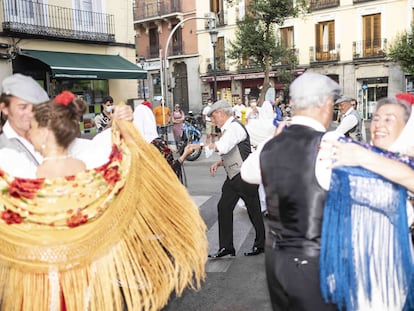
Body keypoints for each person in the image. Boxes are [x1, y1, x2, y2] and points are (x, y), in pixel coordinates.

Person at [0, 94, 207, 310]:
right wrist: (120, 126)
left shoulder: (29, 173)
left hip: (50, 269)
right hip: (80, 266)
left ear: (45, 133)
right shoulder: (91, 167)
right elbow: (118, 159)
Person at [241, 72, 341, 311]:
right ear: (326, 104)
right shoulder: (331, 144)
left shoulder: (269, 145)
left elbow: (248, 173)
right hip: (315, 264)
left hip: (275, 260)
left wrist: (273, 141)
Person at [319, 95, 414, 311]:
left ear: (406, 127)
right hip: (354, 272)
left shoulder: (402, 163)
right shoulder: (356, 159)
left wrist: (363, 157)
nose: (379, 124)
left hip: (389, 278)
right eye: (377, 118)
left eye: (389, 119)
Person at [0, 73, 134, 173]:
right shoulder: (3, 149)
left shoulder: (58, 136)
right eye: (22, 107)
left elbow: (96, 148)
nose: (30, 113)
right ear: (4, 108)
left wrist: (121, 123)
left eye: (35, 107)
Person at [204, 99, 265, 258]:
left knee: (254, 210)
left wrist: (198, 146)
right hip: (234, 176)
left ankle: (261, 244)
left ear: (221, 114)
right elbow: (232, 150)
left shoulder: (234, 128)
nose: (212, 120)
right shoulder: (230, 128)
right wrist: (219, 162)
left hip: (244, 175)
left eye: (213, 116)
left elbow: (223, 146)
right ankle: (226, 247)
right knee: (224, 207)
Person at [30, 91, 86, 178]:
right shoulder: (81, 166)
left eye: (31, 127)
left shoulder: (35, 174)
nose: (29, 133)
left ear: (43, 133)